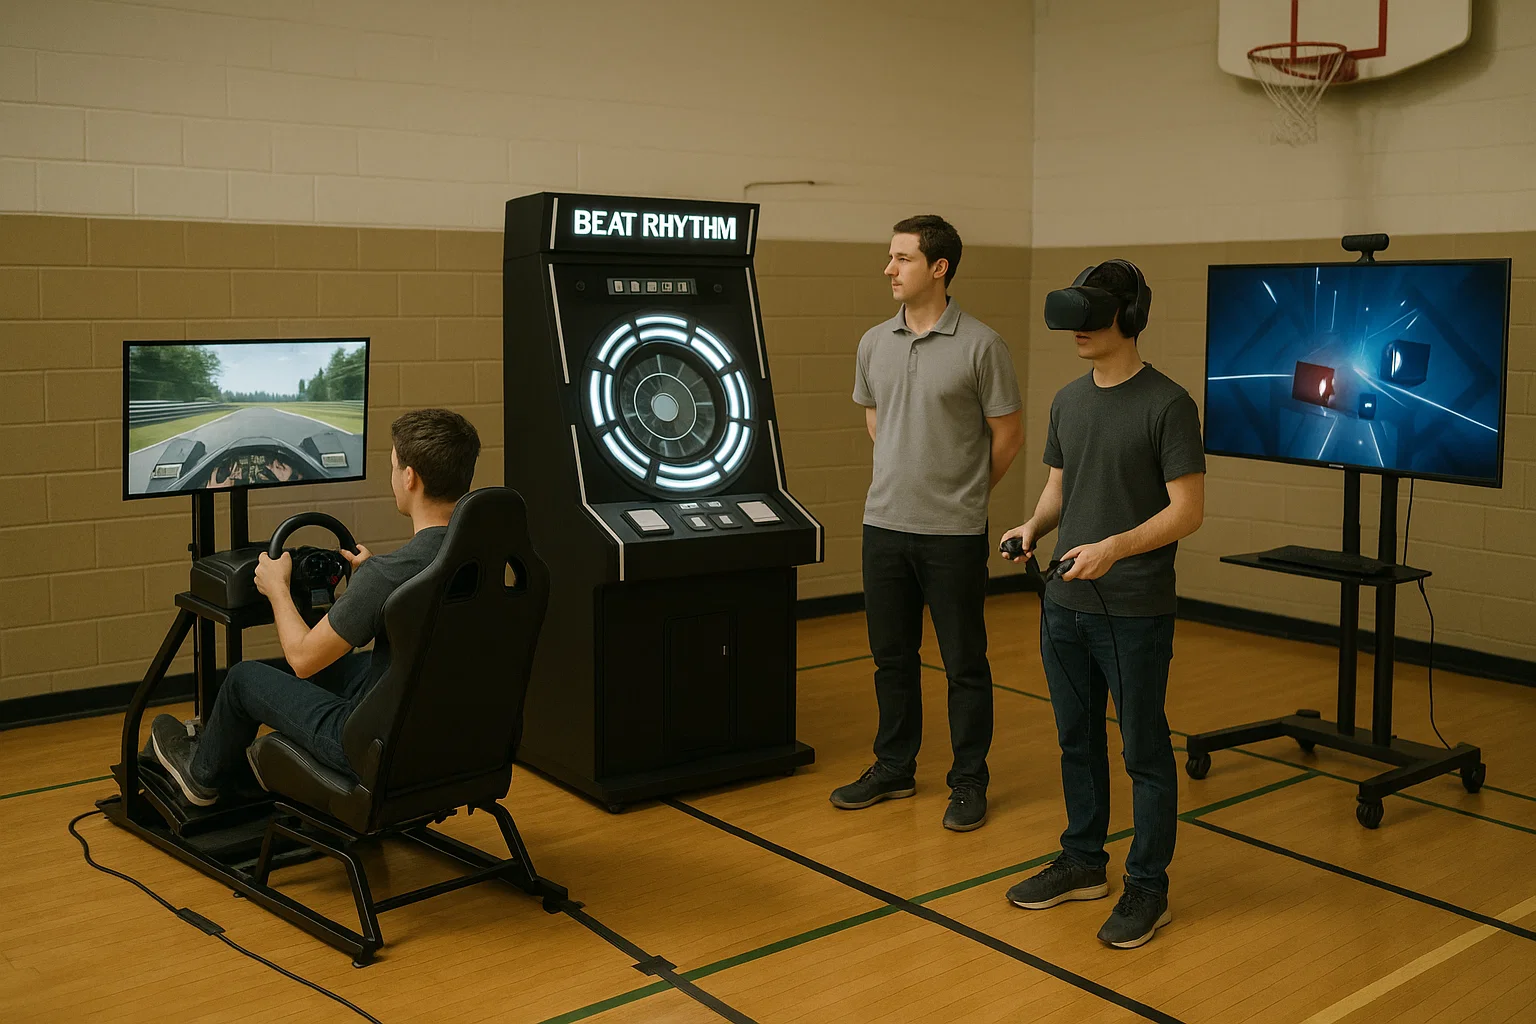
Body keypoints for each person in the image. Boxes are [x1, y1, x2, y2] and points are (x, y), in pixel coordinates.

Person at [999, 259, 1205, 949]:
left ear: (1129, 317)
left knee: (1143, 750)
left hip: (1134, 609)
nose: (1079, 332)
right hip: (1064, 602)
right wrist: (1032, 528)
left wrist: (1115, 547)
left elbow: (1188, 512)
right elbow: (1061, 488)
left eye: (1093, 317)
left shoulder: (1169, 404)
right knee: (1075, 741)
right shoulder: (1067, 400)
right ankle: (1085, 860)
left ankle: (1149, 886)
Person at [150, 408, 482, 806]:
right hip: (450, 736)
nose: (393, 476)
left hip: (366, 747)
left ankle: (200, 778)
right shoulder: (482, 559)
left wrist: (277, 589)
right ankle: (222, 748)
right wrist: (367, 587)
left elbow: (303, 659)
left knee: (243, 678)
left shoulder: (387, 575)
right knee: (343, 668)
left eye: (394, 466)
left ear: (409, 477)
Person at [830, 214, 1024, 832]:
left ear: (939, 268)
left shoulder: (982, 345)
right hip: (883, 525)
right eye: (890, 258)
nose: (890, 269)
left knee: (965, 663)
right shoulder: (872, 342)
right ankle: (894, 767)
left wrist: (964, 493)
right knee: (892, 658)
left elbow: (1009, 435)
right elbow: (876, 421)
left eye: (903, 259)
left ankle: (969, 780)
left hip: (954, 532)